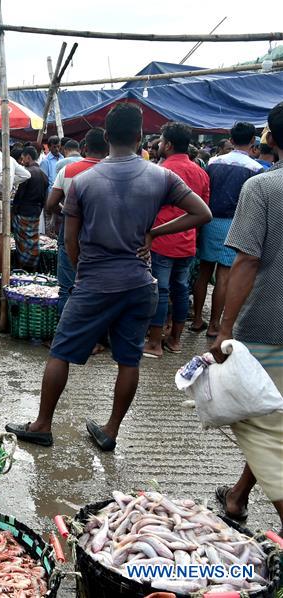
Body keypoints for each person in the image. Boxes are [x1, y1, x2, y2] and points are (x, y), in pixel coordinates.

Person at [6, 103, 212, 451]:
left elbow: (70, 240)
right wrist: (153, 234)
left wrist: (83, 268)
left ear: (104, 137)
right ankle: (111, 431)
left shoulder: (83, 181)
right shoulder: (160, 176)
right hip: (139, 282)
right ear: (139, 137)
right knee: (128, 359)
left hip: (95, 281)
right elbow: (201, 212)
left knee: (60, 351)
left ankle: (42, 424)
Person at [210, 101, 283, 530]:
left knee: (264, 434)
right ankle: (237, 497)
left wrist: (224, 329)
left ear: (269, 139)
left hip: (269, 329)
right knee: (271, 421)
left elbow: (246, 263)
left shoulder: (264, 189)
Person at [143, 122, 210, 358]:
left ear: (168, 144)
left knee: (160, 290)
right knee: (181, 289)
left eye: (160, 141)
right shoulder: (200, 171)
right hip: (187, 243)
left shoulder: (159, 171)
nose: (158, 145)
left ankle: (153, 343)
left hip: (161, 241)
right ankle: (175, 340)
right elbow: (203, 210)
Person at [191, 122, 264, 337]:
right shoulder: (255, 169)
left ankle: (196, 319)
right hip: (234, 224)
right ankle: (215, 324)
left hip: (209, 220)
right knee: (224, 275)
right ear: (253, 141)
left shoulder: (213, 162)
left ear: (230, 140)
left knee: (203, 272)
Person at [45, 128, 109, 313]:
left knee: (67, 287)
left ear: (85, 147)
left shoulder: (68, 170)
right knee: (99, 288)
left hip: (70, 230)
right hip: (103, 232)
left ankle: (66, 336)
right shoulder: (113, 170)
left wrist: (65, 211)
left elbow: (50, 204)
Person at [0, 134, 30, 274]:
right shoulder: (8, 158)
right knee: (0, 240)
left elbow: (4, 175)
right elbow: (25, 175)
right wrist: (8, 186)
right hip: (0, 201)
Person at [12, 147, 49, 270]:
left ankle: (24, 267)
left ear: (28, 157)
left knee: (23, 243)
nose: (21, 161)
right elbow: (45, 198)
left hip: (24, 213)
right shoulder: (43, 175)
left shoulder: (27, 174)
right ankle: (33, 267)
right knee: (33, 241)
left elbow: (19, 196)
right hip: (36, 212)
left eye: (23, 158)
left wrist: (13, 211)